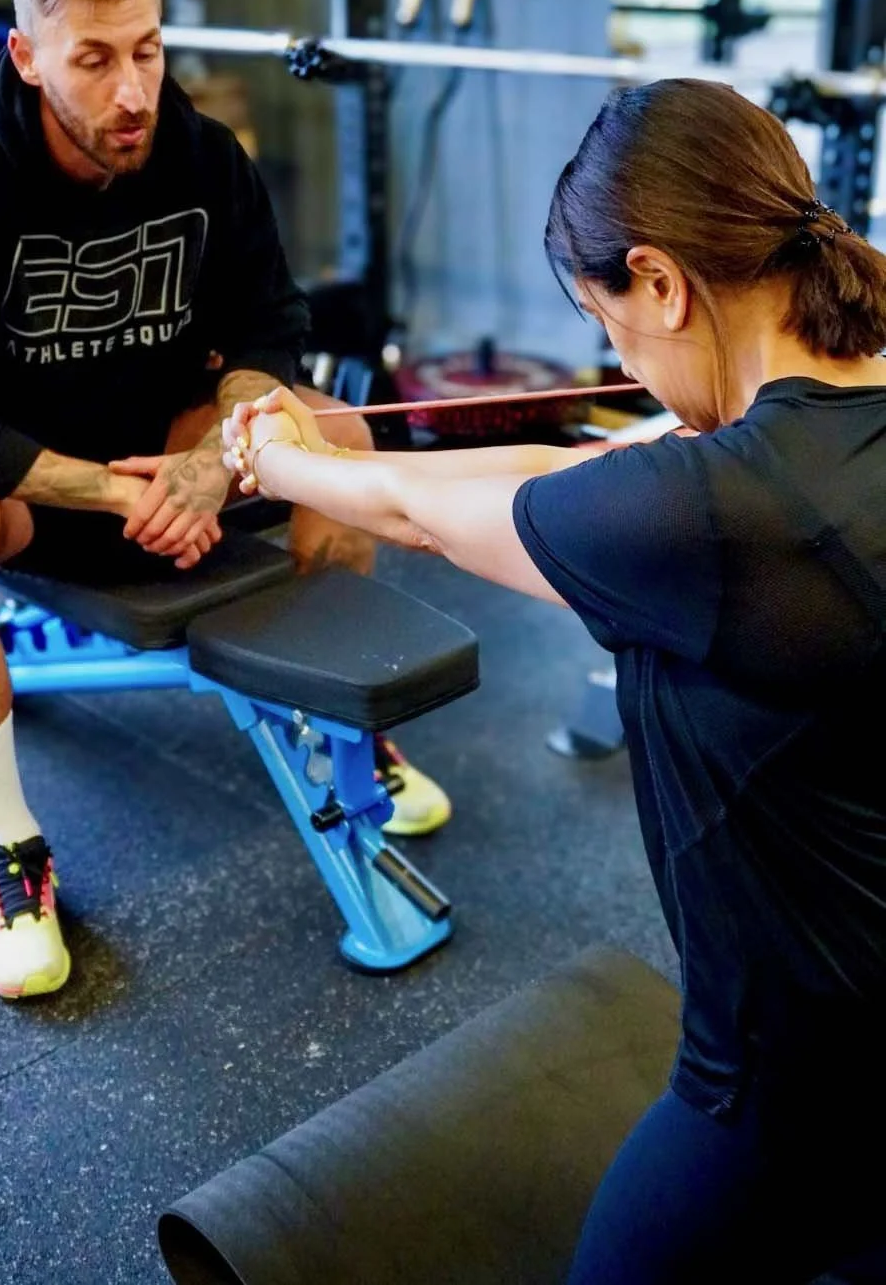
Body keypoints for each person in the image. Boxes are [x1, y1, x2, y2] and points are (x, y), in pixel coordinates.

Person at [223, 79, 886, 1283]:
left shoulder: (718, 511)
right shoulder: (828, 417)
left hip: (799, 1079)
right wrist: (340, 444)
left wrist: (273, 458)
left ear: (660, 282)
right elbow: (583, 471)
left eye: (605, 323)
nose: (617, 359)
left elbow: (417, 516)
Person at [0, 0, 450, 1004]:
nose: (132, 90)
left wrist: (212, 461)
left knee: (340, 437)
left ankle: (343, 735)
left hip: (165, 438)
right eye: (94, 60)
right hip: (15, 473)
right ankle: (8, 850)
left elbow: (268, 333)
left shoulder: (201, 156)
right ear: (27, 56)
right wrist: (111, 491)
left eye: (145, 50)